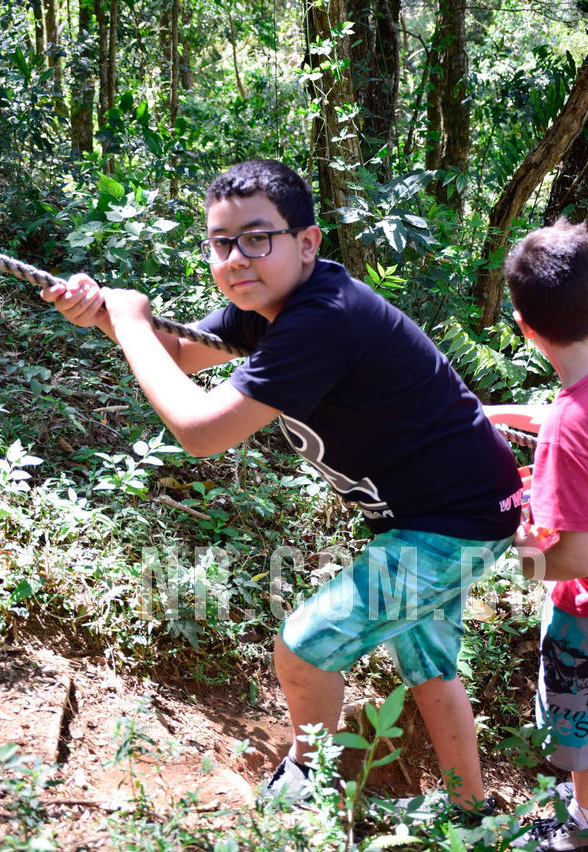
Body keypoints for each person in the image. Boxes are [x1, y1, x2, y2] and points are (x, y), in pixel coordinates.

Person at [42, 159, 521, 812]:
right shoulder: (268, 303)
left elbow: (201, 430)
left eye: (257, 237)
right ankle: (471, 814)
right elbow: (178, 354)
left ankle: (309, 783)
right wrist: (103, 315)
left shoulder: (323, 317)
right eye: (221, 242)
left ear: (307, 242)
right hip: (448, 515)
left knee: (305, 645)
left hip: (452, 524)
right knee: (430, 670)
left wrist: (129, 323)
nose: (237, 257)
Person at [503, 218, 588, 852]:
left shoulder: (567, 425)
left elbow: (572, 554)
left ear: (524, 328)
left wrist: (517, 534)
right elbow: (563, 416)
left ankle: (581, 824)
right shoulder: (569, 412)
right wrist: (502, 416)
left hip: (581, 615)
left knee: (580, 730)